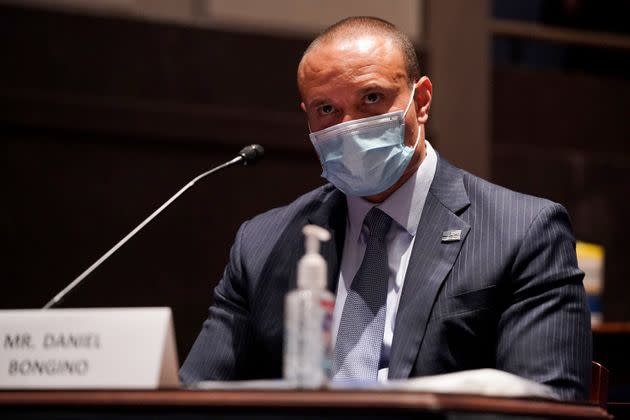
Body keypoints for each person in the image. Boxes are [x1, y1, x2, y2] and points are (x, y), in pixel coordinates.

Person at [180, 16, 591, 400]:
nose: (350, 125)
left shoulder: (523, 231)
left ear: (422, 99)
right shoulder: (262, 245)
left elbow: (547, 403)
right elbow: (196, 395)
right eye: (327, 110)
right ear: (306, 117)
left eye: (372, 98)